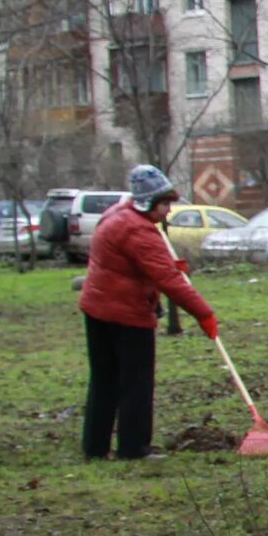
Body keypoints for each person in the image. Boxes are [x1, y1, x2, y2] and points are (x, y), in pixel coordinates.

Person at [77, 164, 218, 462]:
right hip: (126, 315)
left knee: (104, 379)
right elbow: (168, 282)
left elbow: (137, 264)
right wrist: (204, 314)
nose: (168, 211)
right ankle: (133, 447)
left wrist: (166, 264)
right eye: (164, 204)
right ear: (148, 203)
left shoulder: (116, 215)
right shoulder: (138, 230)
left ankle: (95, 446)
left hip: (97, 307)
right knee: (136, 382)